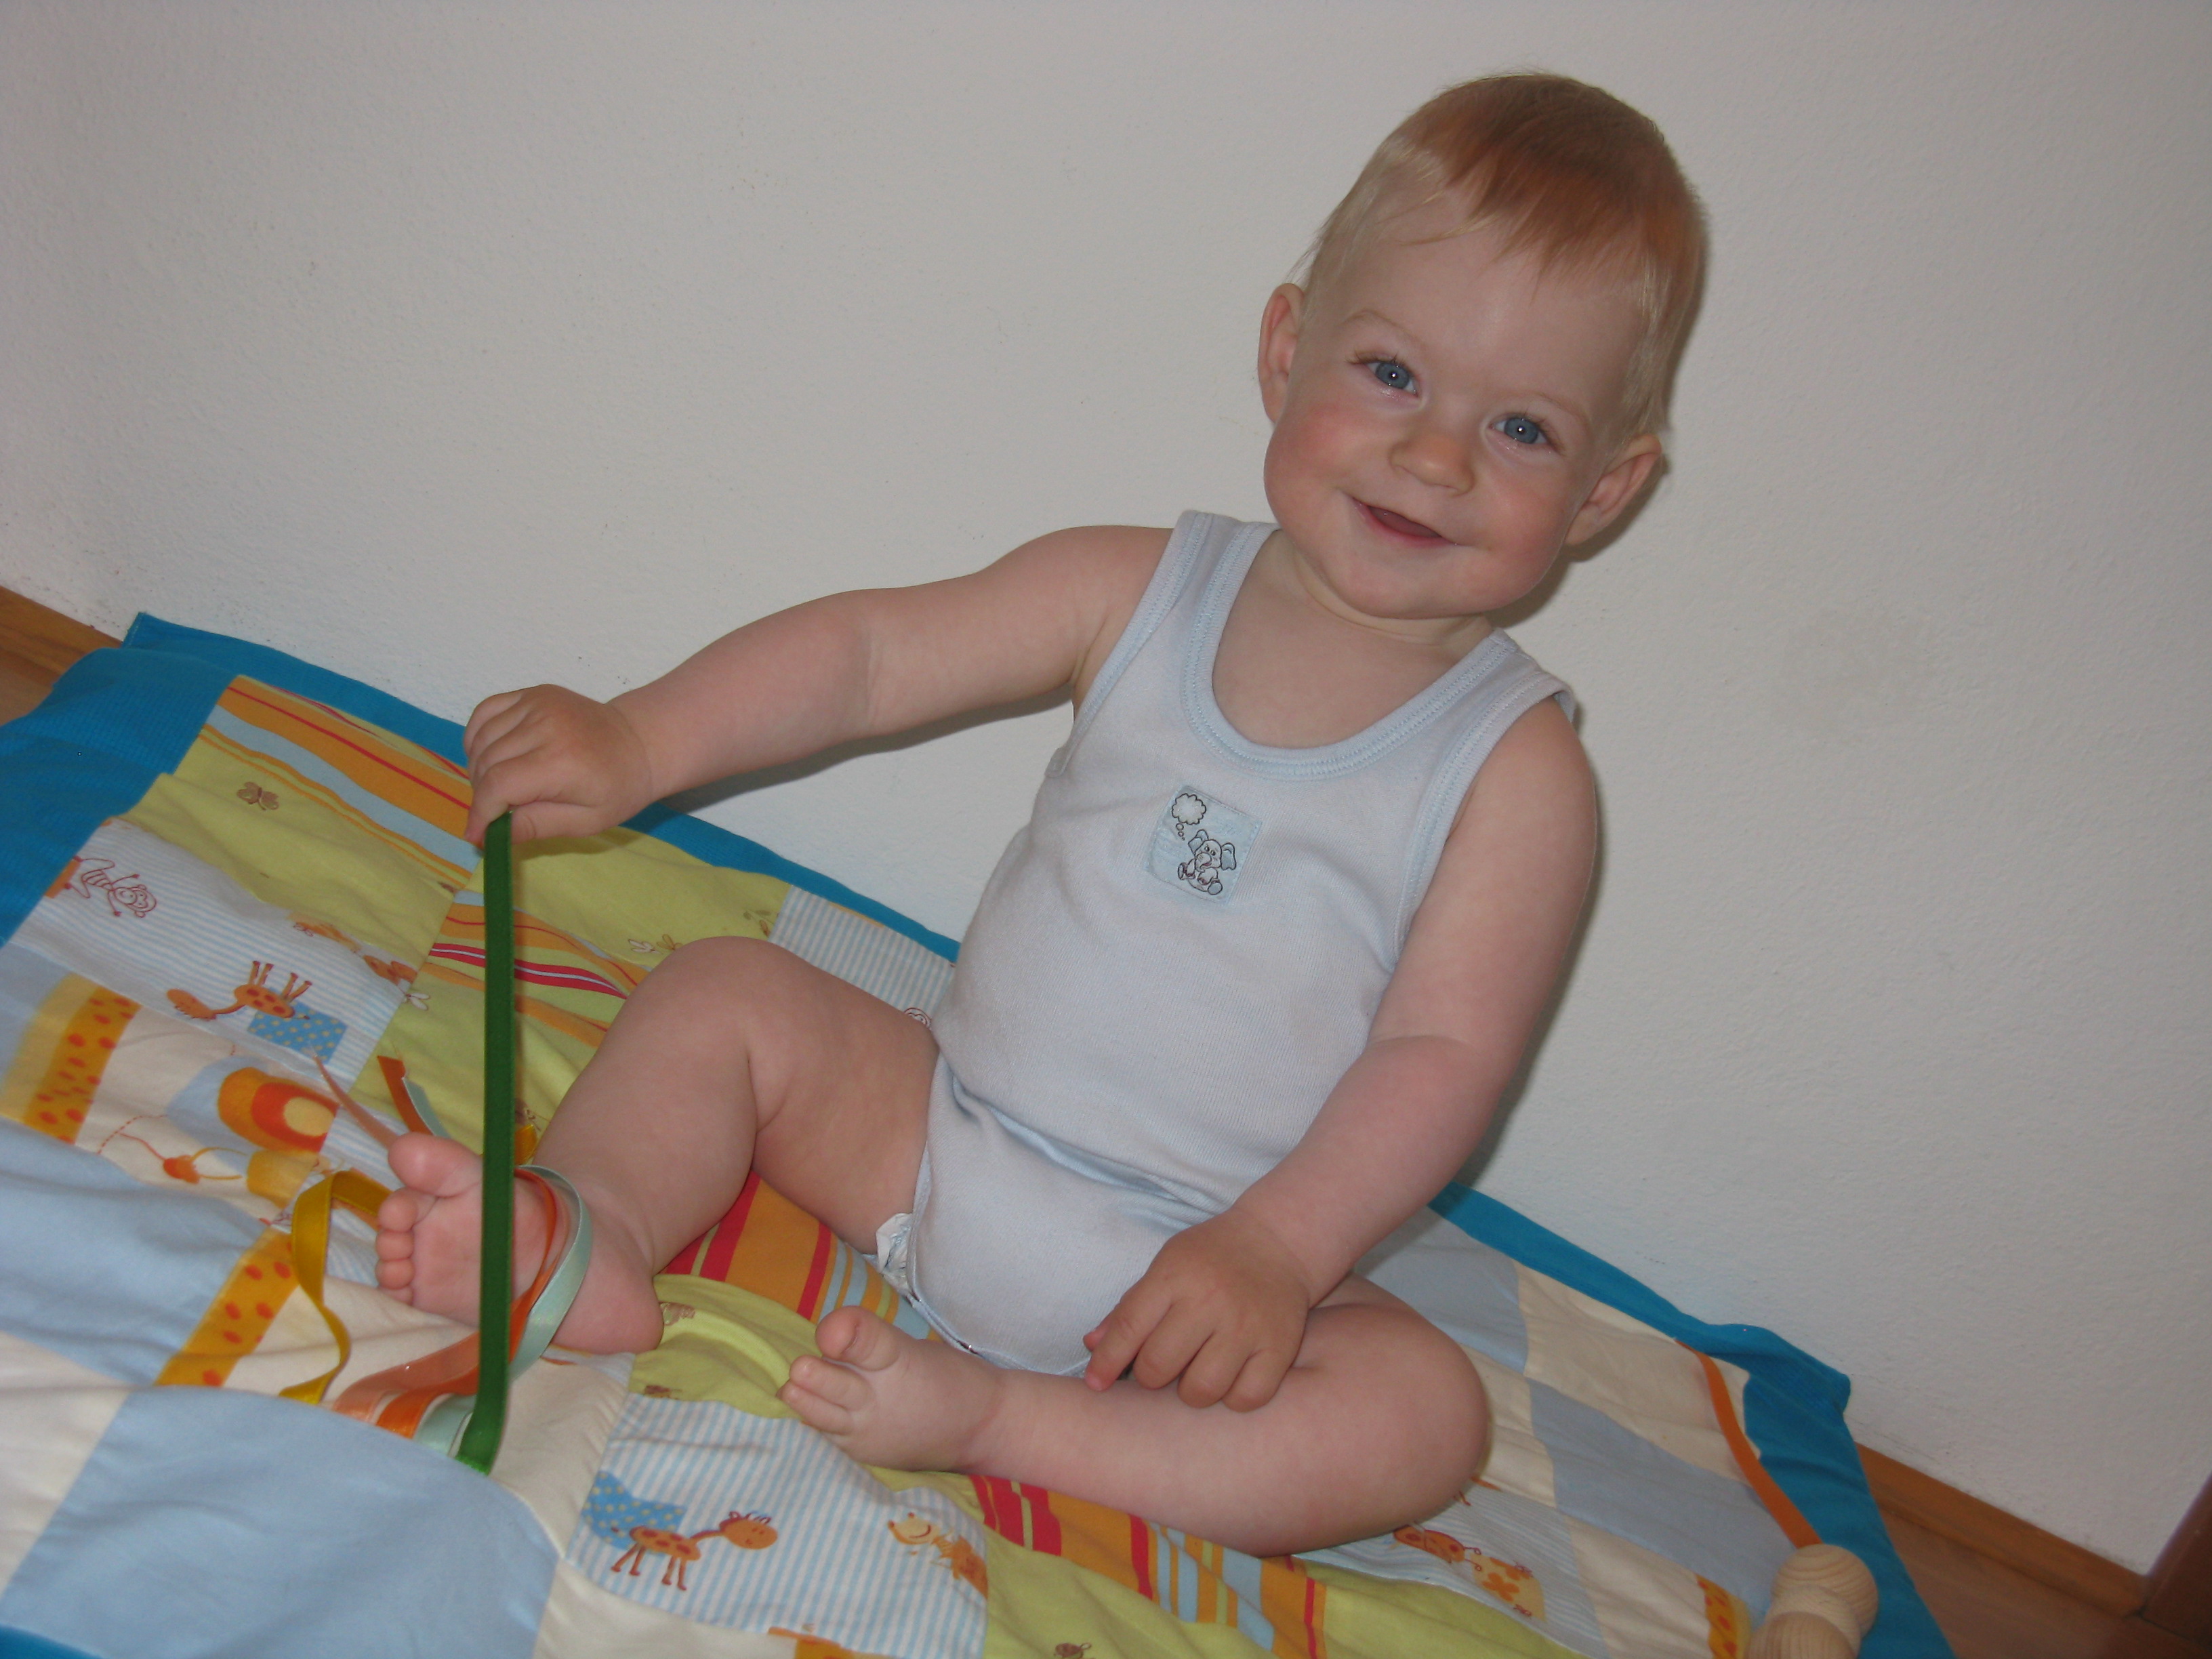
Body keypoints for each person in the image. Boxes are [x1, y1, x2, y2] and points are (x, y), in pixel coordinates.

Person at [374, 73, 1704, 1558]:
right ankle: (593, 1230)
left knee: (1425, 1417)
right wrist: (641, 738)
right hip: (938, 1138)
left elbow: (1443, 1058)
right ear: (1288, 348)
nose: (1438, 456)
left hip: (1197, 1277)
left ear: (1604, 492)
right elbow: (870, 656)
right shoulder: (1132, 588)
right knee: (723, 992)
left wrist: (1277, 1250)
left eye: (1522, 428)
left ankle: (1012, 1424)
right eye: (1393, 373)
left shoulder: (1515, 772)